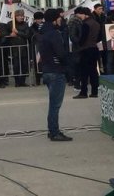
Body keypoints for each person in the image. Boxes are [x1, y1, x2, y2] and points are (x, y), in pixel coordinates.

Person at [38, 9, 72, 141]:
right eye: (59, 18)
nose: (61, 19)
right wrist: (68, 65)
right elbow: (60, 53)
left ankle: (52, 130)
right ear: (54, 19)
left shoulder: (43, 33)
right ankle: (54, 131)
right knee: (55, 105)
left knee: (53, 103)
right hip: (56, 71)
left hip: (47, 70)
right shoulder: (54, 33)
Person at [73, 7, 101, 99]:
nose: (79, 17)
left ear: (85, 14)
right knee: (93, 71)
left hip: (86, 50)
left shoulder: (85, 24)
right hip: (94, 48)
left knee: (84, 72)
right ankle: (94, 91)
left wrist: (78, 43)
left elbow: (83, 39)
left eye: (80, 15)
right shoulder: (96, 23)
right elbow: (99, 37)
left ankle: (83, 92)